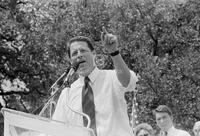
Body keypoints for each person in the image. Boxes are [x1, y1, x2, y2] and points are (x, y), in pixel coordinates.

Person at [52, 27, 138, 136]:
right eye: (74, 53)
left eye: (83, 50)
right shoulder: (67, 94)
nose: (79, 55)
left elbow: (129, 82)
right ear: (70, 61)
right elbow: (56, 129)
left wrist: (114, 52)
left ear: (93, 54)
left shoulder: (112, 77)